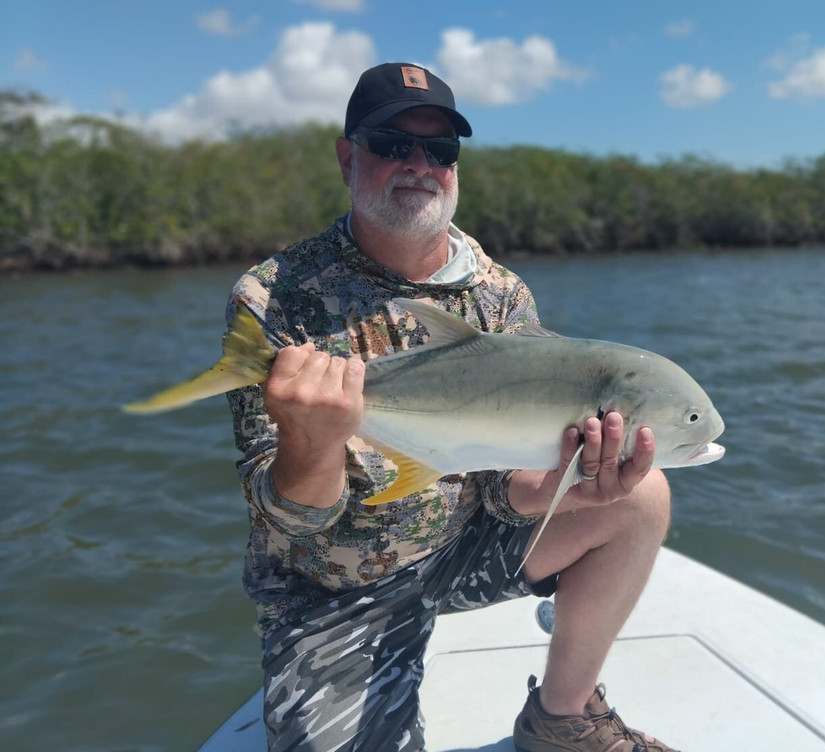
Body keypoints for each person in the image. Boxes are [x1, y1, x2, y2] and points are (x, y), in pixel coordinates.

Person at [225, 62, 677, 752]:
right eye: (393, 145)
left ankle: (560, 719)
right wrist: (314, 442)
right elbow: (290, 518)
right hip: (335, 585)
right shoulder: (274, 297)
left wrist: (564, 484)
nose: (419, 165)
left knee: (641, 496)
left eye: (439, 150)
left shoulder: (498, 295)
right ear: (349, 156)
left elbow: (503, 487)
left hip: (462, 547)